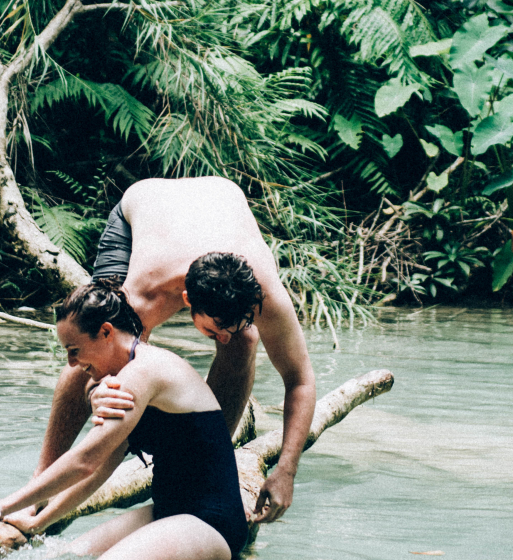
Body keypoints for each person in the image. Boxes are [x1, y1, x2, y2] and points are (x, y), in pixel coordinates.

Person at [36, 177, 316, 524]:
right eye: (214, 331)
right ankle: (41, 486)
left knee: (245, 341)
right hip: (141, 211)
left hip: (217, 203)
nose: (222, 338)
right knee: (101, 347)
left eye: (228, 327)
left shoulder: (267, 296)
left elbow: (300, 379)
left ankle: (201, 470)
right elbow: (93, 356)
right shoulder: (142, 294)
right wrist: (98, 392)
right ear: (186, 300)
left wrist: (286, 471)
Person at [0, 280, 248, 560]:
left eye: (74, 351)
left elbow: (84, 460)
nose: (72, 363)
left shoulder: (143, 372)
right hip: (168, 510)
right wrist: (37, 523)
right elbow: (100, 468)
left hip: (211, 522)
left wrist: (0, 506)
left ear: (106, 332)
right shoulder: (125, 376)